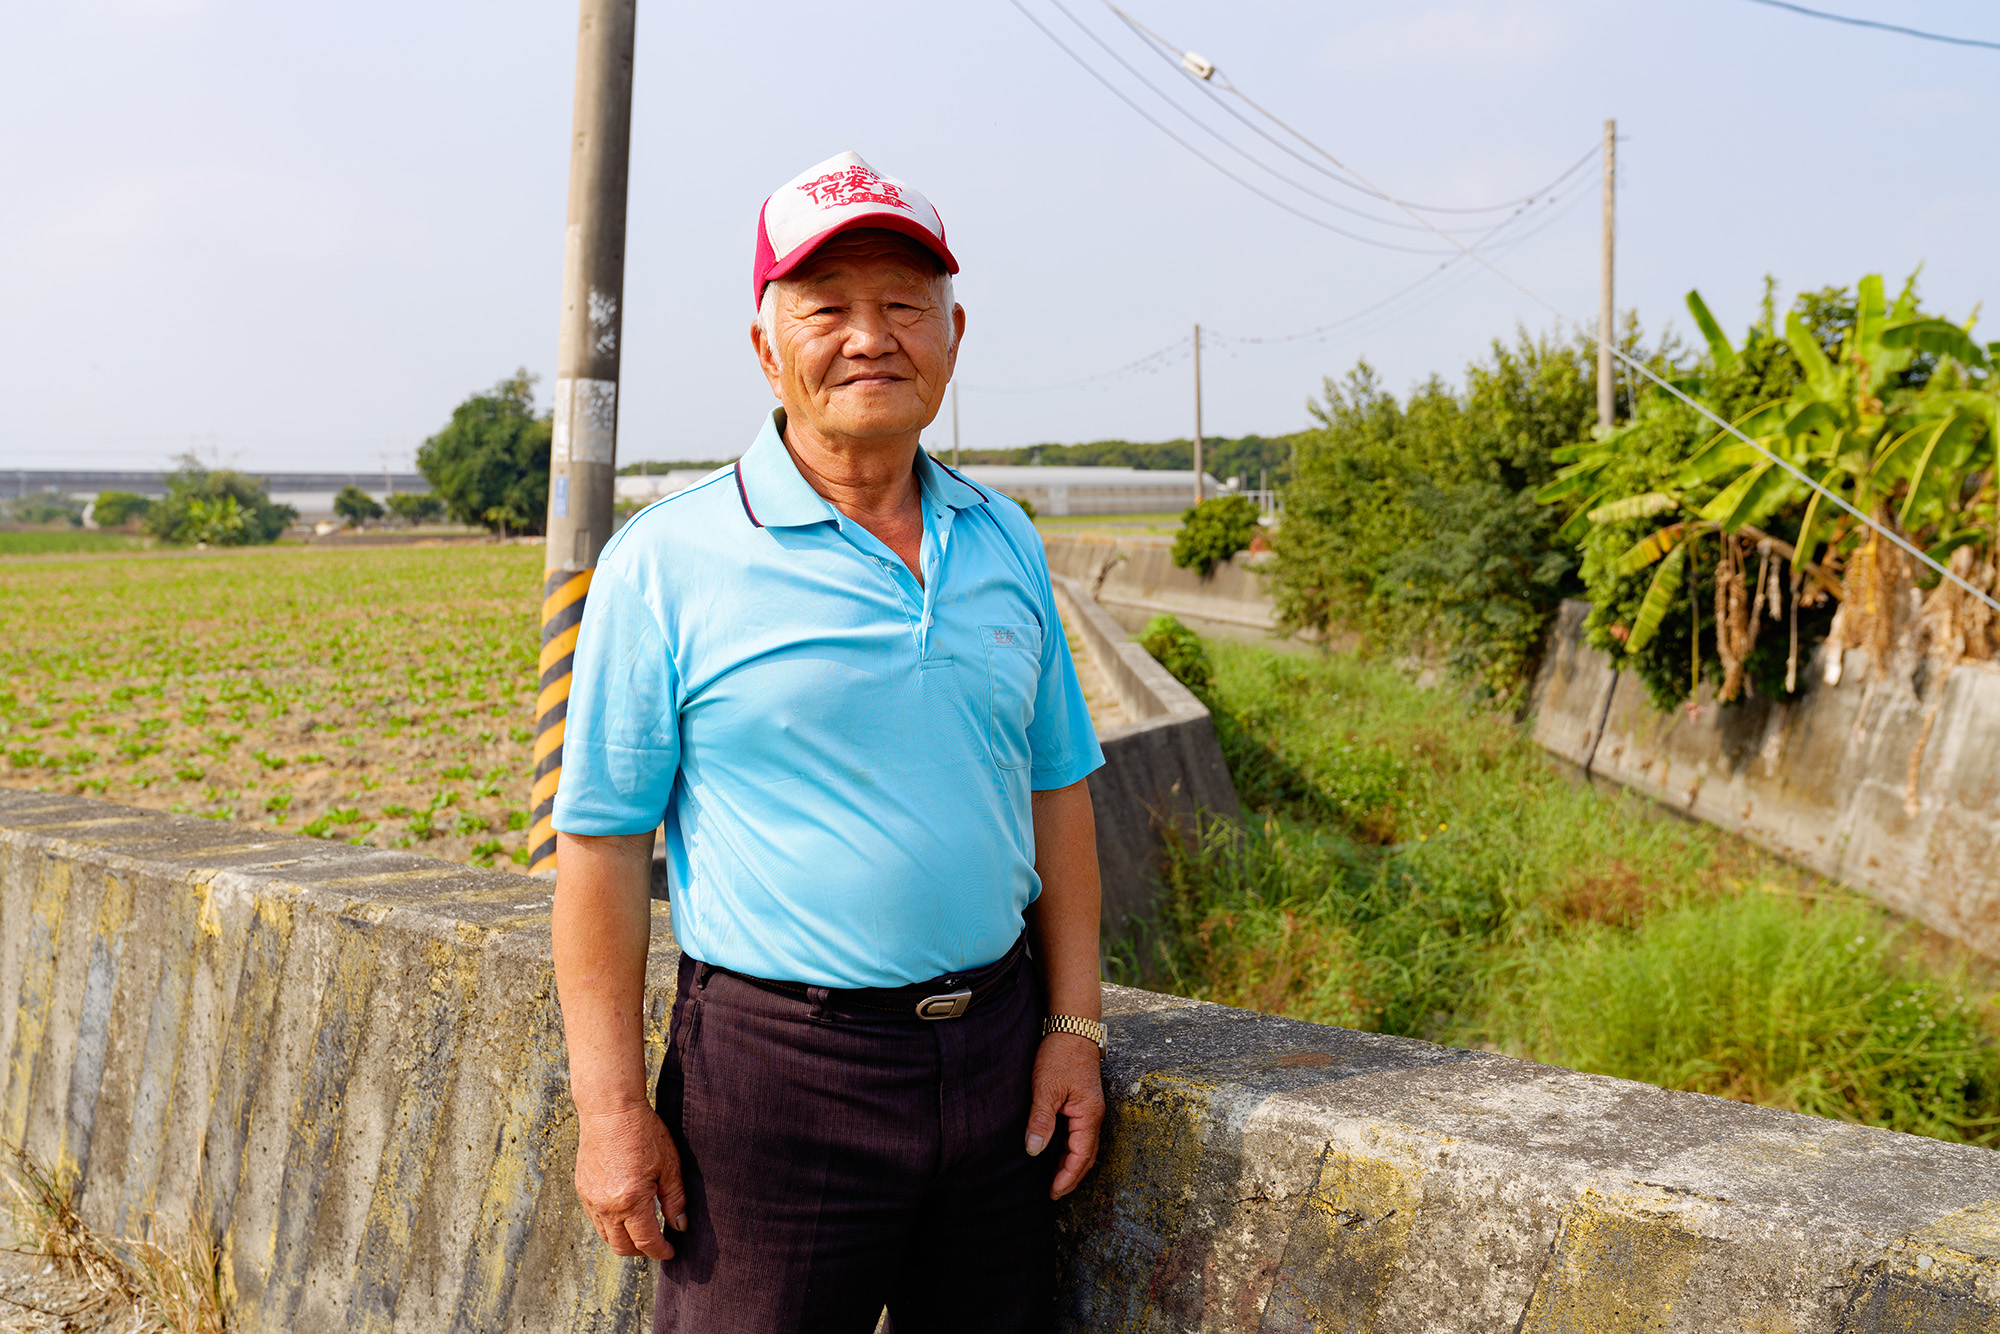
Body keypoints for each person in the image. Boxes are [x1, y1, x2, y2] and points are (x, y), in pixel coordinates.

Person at [550, 150, 1109, 1333]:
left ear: (952, 336)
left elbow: (1055, 787)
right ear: (766, 347)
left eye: (904, 303)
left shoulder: (1001, 537)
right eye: (827, 307)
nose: (870, 337)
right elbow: (599, 847)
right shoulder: (667, 560)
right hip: (777, 1075)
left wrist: (1072, 1026)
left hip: (998, 1057)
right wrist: (609, 1111)